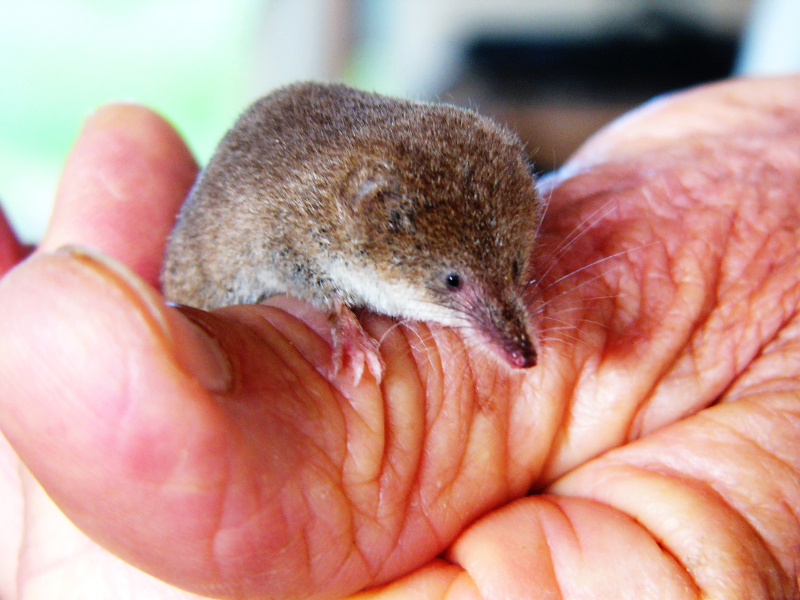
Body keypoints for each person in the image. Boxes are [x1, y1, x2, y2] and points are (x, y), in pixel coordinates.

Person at [1, 75, 799, 600]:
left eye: (514, 269)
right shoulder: (314, 217)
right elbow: (289, 247)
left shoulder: (460, 194)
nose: (515, 345)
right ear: (372, 235)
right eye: (456, 287)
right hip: (219, 285)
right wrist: (329, 316)